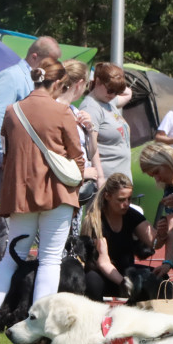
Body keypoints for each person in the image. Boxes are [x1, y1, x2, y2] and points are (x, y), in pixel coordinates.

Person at [0, 58, 86, 332]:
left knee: (11, 257)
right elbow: (77, 156)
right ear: (60, 83)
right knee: (50, 258)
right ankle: (38, 324)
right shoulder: (63, 112)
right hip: (57, 192)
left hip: (20, 194)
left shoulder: (12, 110)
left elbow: (8, 146)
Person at [0, 36, 62, 263]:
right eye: (51, 61)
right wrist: (5, 153)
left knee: (26, 221)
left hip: (30, 164)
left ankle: (17, 278)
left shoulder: (32, 80)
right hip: (11, 163)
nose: (53, 68)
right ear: (35, 57)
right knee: (12, 221)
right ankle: (5, 279)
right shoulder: (11, 76)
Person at [80, 173, 157, 301]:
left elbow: (155, 242)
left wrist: (164, 229)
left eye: (129, 199)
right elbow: (103, 263)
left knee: (159, 277)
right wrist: (125, 283)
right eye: (121, 200)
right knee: (92, 281)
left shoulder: (131, 215)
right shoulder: (96, 221)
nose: (126, 204)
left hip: (126, 272)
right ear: (107, 196)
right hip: (103, 274)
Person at [55, 59, 102, 228]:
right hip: (63, 187)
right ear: (80, 83)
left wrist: (90, 130)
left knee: (71, 239)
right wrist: (83, 172)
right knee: (59, 242)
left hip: (76, 187)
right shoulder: (56, 109)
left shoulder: (74, 111)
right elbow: (56, 154)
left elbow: (91, 151)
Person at [79, 62, 132, 181]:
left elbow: (129, 93)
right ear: (97, 81)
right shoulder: (91, 107)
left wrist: (117, 79)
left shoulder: (108, 101)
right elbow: (91, 148)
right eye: (110, 90)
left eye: (117, 91)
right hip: (107, 181)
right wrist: (100, 179)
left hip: (121, 180)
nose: (113, 94)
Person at [138, 141, 173, 281]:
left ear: (166, 160)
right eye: (153, 176)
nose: (157, 179)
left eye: (157, 172)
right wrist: (168, 262)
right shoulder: (169, 186)